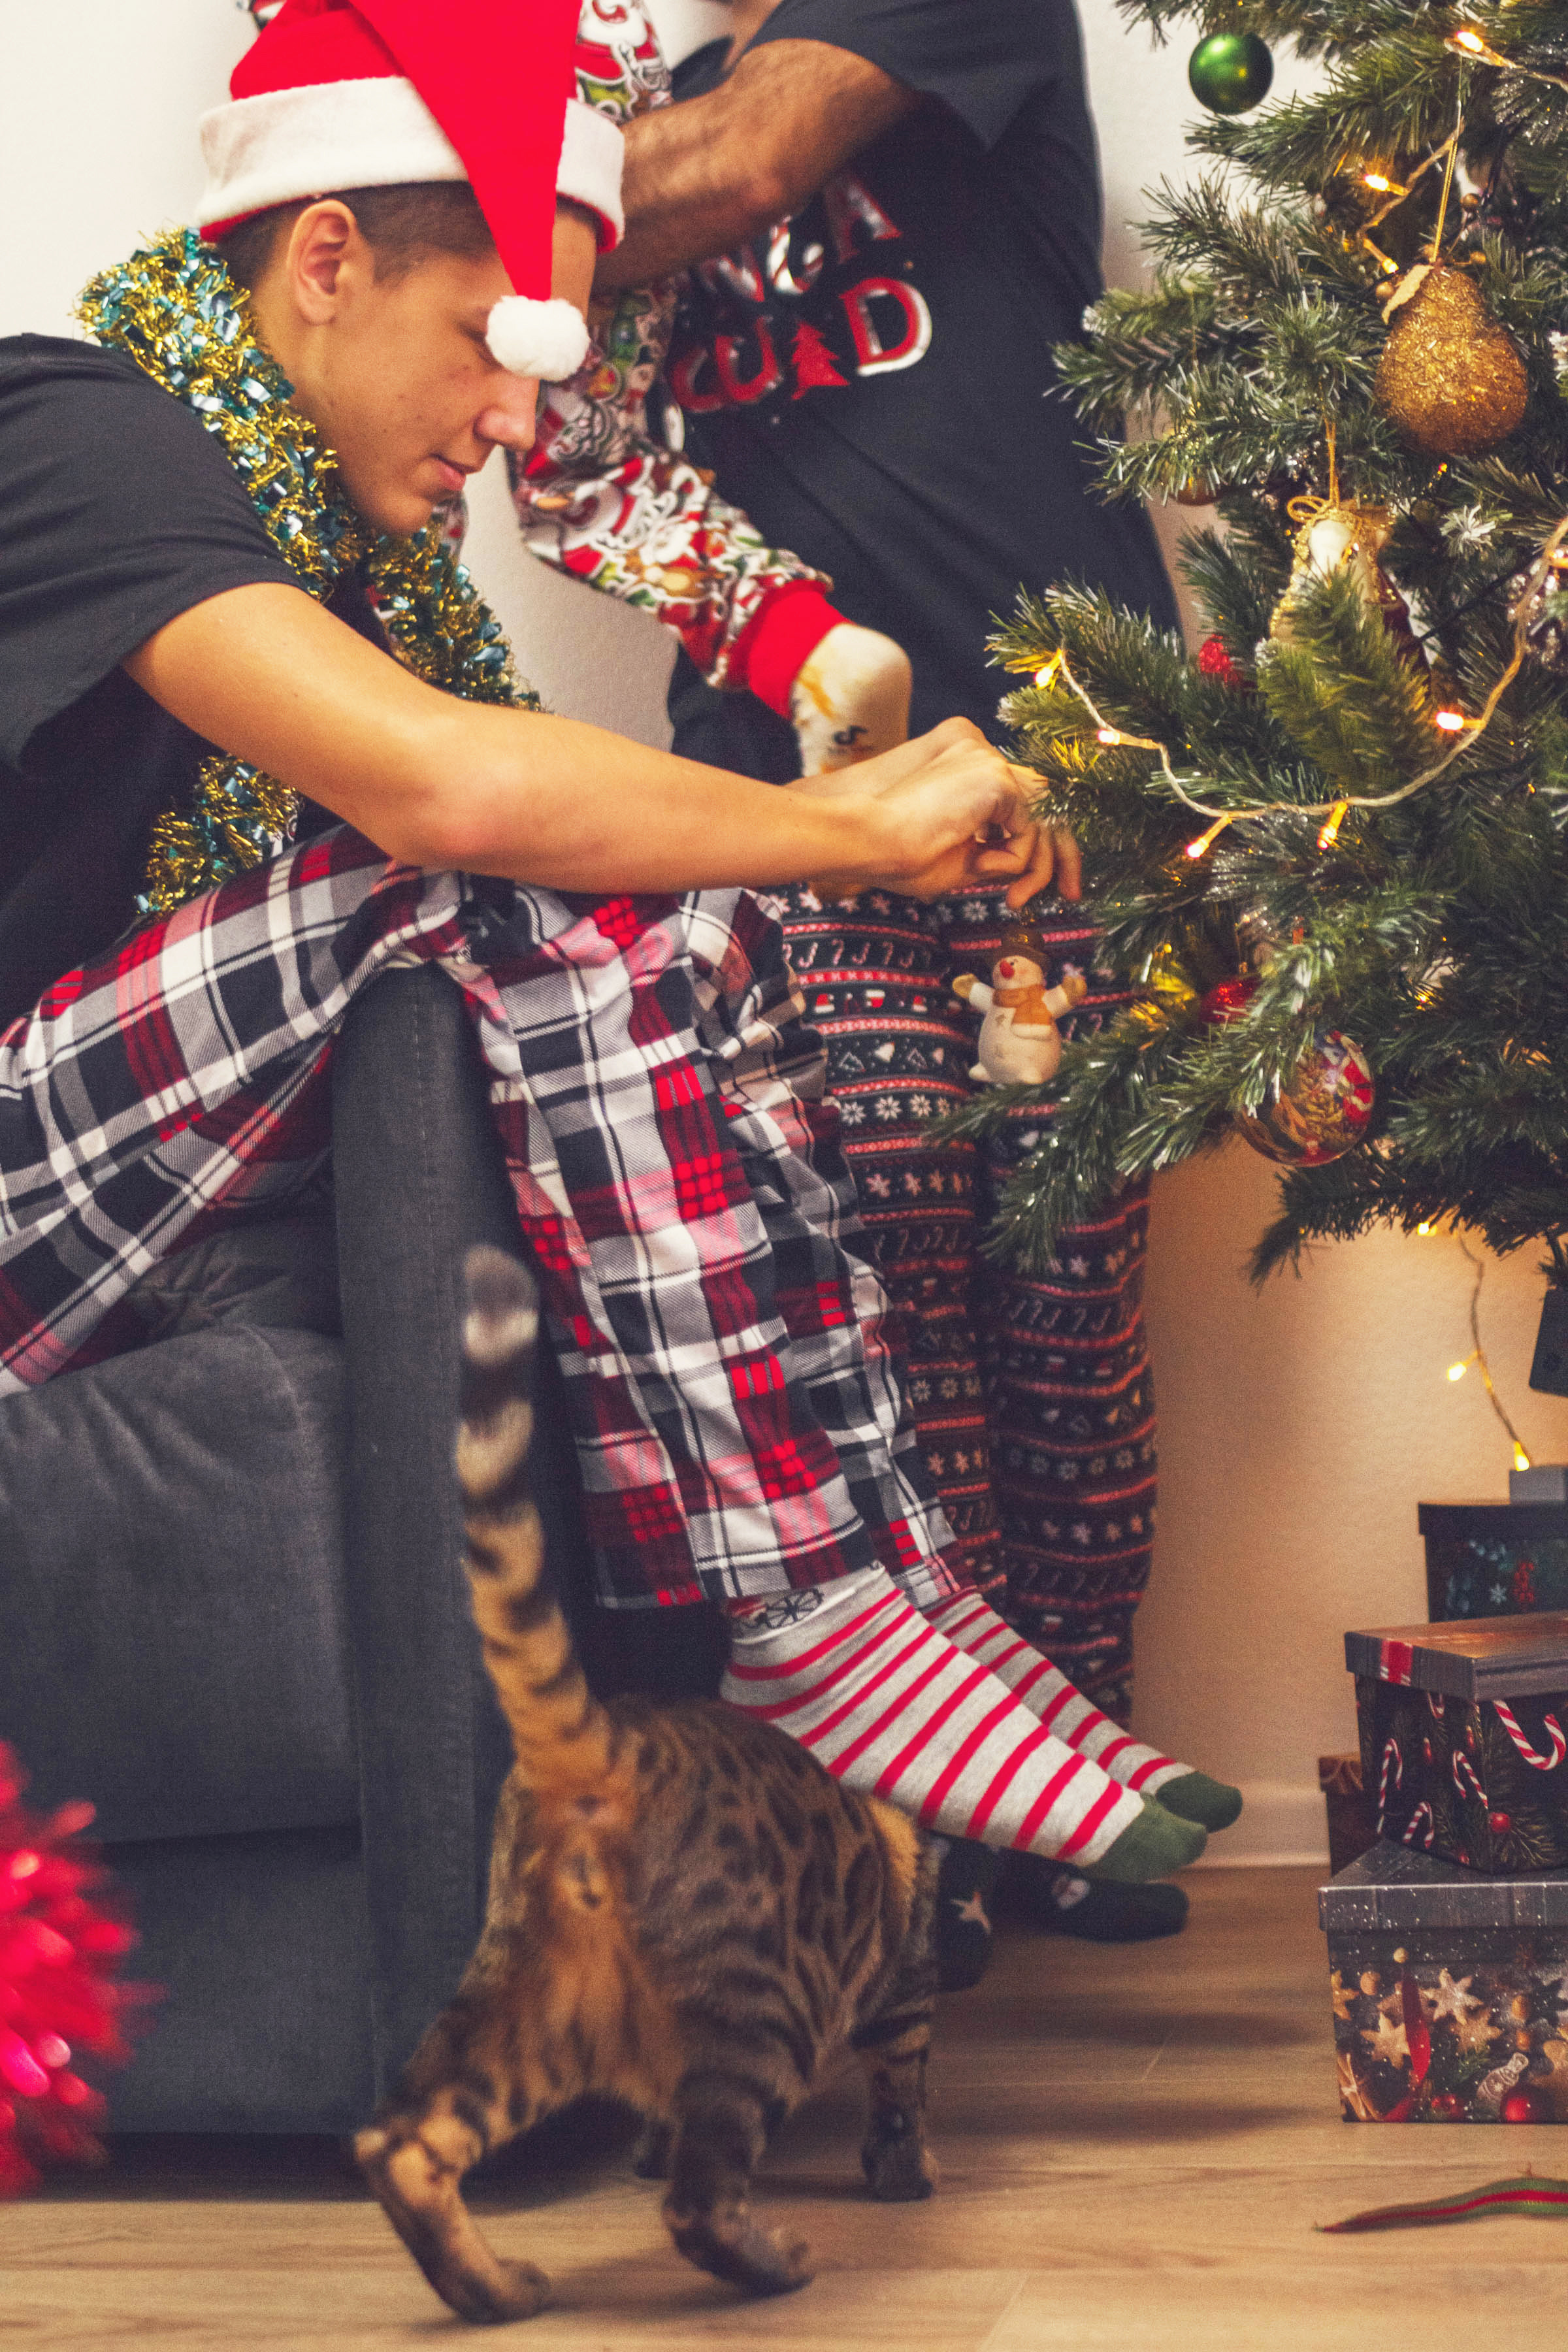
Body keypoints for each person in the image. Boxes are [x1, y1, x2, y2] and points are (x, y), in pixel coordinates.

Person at [0, 0, 1222, 1888]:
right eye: (495, 347)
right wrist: (846, 834)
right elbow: (442, 794)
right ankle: (813, 1604)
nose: (514, 425)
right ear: (325, 260)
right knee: (491, 863)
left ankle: (872, 1593)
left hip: (138, 1195)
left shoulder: (360, 567)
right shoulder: (82, 431)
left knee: (640, 926)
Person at [508, 0, 1238, 1951]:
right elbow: (570, 450)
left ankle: (1081, 1772)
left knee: (1064, 1281)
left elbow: (729, 170)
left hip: (1068, 762)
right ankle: (945, 1799)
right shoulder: (631, 113)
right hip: (780, 796)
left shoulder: (926, 20)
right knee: (882, 1263)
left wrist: (518, 185)